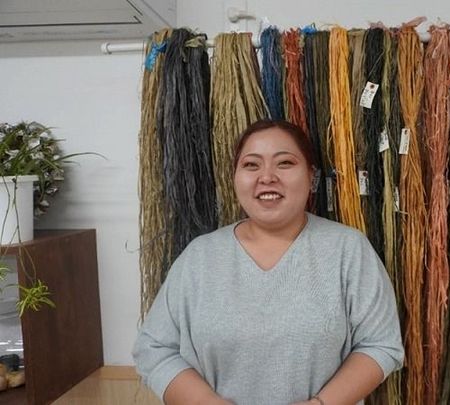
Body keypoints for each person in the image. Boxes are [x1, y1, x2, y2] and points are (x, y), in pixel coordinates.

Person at [133, 119, 404, 405]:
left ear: (312, 177)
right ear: (235, 177)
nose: (267, 177)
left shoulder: (348, 250)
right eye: (251, 165)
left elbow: (380, 344)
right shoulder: (200, 256)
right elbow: (154, 348)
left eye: (284, 163)